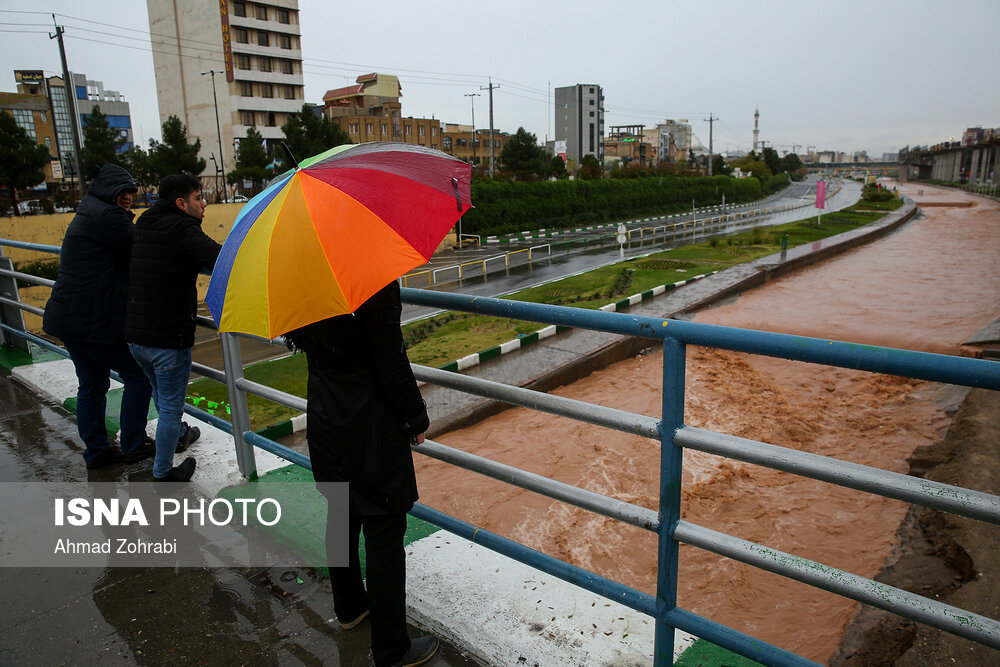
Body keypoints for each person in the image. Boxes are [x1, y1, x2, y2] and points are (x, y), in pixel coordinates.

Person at [284, 281, 439, 667]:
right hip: (369, 425)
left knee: (341, 512)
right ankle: (392, 649)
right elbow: (390, 359)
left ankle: (350, 606)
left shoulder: (301, 276)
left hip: (325, 418)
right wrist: (415, 415)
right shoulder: (370, 277)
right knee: (385, 531)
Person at [43, 164, 154, 470]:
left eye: (131, 192)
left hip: (71, 318)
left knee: (91, 385)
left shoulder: (90, 212)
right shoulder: (107, 218)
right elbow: (145, 245)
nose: (128, 198)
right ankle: (133, 443)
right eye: (123, 192)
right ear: (108, 192)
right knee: (139, 376)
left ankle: (97, 451)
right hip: (91, 321)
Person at [125, 175, 221, 482]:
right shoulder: (182, 227)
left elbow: (178, 258)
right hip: (166, 337)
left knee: (160, 394)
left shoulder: (147, 222)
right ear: (181, 204)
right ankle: (163, 472)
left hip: (136, 336)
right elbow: (220, 257)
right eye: (198, 198)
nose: (204, 203)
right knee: (169, 408)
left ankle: (179, 434)